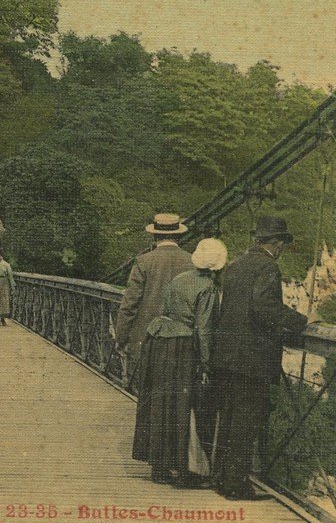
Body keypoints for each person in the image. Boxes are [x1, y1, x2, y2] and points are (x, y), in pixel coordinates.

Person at [211, 216, 317, 501]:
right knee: (246, 422)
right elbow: (264, 308)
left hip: (226, 355)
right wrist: (301, 320)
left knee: (230, 418)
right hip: (251, 358)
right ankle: (236, 485)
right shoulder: (268, 266)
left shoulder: (235, 265)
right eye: (281, 242)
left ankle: (222, 478)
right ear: (277, 243)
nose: (282, 248)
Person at [132, 238, 227, 488]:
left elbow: (164, 308)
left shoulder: (180, 278)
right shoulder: (208, 287)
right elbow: (204, 330)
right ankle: (186, 470)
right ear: (217, 267)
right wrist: (206, 365)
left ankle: (160, 467)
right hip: (182, 346)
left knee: (160, 402)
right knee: (183, 406)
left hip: (158, 340)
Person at [114, 213, 195, 389]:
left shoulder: (144, 262)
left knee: (148, 393)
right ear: (178, 235)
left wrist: (121, 338)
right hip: (182, 340)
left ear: (154, 235)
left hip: (148, 339)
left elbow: (129, 305)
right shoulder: (191, 261)